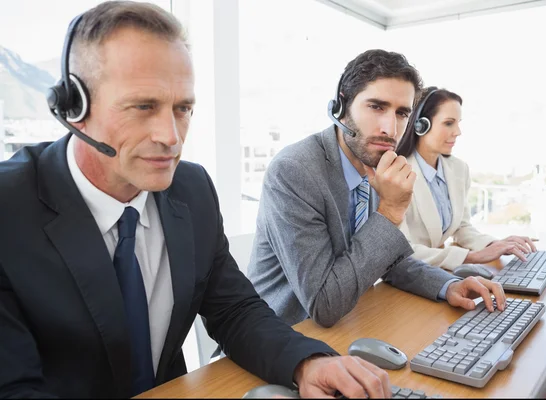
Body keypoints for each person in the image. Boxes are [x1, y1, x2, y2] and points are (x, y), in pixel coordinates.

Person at [0, 3, 395, 398]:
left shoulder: (192, 189)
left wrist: (307, 363)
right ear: (75, 107)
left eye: (182, 108)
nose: (171, 136)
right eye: (143, 107)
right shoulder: (9, 208)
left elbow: (234, 311)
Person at [247, 50, 506, 329]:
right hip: (283, 335)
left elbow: (390, 261)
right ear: (341, 106)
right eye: (377, 107)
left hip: (349, 324)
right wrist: (390, 211)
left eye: (402, 113)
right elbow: (324, 304)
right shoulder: (294, 171)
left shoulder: (372, 163)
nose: (390, 128)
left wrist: (448, 286)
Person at [395, 87, 537, 271]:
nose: (458, 132)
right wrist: (473, 257)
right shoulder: (397, 173)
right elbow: (402, 249)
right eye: (448, 123)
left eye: (458, 123)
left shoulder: (458, 169)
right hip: (407, 275)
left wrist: (494, 245)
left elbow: (461, 227)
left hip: (440, 271)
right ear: (420, 125)